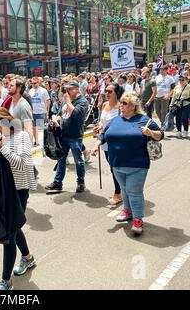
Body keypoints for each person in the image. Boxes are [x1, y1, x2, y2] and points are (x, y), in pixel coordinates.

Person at [91, 93, 163, 235]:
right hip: (116, 163)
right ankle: (127, 211)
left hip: (137, 165)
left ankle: (138, 219)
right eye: (121, 103)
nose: (121, 105)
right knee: (124, 191)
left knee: (134, 192)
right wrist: (96, 144)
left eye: (124, 103)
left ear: (133, 106)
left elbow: (160, 134)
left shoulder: (144, 120)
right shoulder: (116, 120)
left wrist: (150, 133)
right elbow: (104, 134)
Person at [0, 108, 37, 290]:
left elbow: (22, 164)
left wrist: (3, 148)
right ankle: (28, 258)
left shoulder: (22, 136)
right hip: (3, 191)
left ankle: (6, 280)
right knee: (14, 227)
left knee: (9, 234)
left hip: (19, 190)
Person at [45, 81, 89, 193]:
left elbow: (76, 114)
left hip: (75, 135)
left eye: (69, 89)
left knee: (78, 160)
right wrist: (55, 121)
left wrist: (68, 101)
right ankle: (57, 182)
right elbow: (60, 114)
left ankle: (80, 182)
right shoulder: (65, 100)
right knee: (61, 159)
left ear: (76, 89)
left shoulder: (82, 101)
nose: (67, 91)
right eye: (66, 89)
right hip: (63, 134)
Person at [92, 84, 122, 206]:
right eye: (106, 91)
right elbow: (102, 120)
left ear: (117, 93)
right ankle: (122, 189)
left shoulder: (121, 106)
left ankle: (118, 193)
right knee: (112, 167)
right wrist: (99, 126)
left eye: (110, 91)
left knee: (116, 168)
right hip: (105, 142)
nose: (107, 93)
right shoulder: (105, 105)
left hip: (117, 142)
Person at [29, 77, 50, 146]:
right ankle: (36, 141)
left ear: (38, 83)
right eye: (32, 83)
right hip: (33, 113)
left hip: (41, 112)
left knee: (41, 129)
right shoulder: (30, 91)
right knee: (34, 127)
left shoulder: (43, 91)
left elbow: (48, 101)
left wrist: (47, 112)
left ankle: (43, 142)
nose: (33, 85)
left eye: (35, 83)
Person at [170, 74, 190, 138]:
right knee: (178, 118)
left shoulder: (189, 87)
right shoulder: (176, 87)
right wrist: (171, 104)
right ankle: (178, 131)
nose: (181, 81)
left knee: (184, 118)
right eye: (179, 80)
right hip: (177, 104)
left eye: (182, 80)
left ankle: (186, 131)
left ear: (186, 80)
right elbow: (174, 97)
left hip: (186, 104)